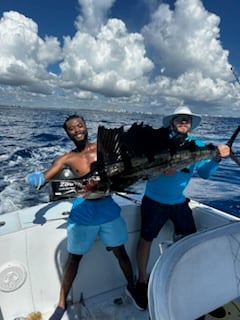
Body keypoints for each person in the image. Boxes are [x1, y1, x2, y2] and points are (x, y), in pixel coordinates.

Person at [25, 114, 144, 320]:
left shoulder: (102, 148)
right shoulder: (66, 159)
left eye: (80, 125)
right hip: (83, 213)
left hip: (108, 209)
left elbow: (127, 162)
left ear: (85, 127)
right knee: (74, 260)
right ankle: (62, 303)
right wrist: (39, 178)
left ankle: (132, 287)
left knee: (121, 253)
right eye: (72, 128)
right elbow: (47, 175)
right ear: (68, 133)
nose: (77, 130)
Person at [135, 106, 231, 309]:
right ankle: (141, 280)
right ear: (172, 122)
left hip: (179, 201)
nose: (184, 122)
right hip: (154, 201)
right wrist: (162, 170)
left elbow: (204, 173)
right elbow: (144, 170)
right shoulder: (159, 143)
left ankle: (187, 277)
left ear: (190, 124)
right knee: (146, 239)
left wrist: (218, 157)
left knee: (190, 240)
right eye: (180, 119)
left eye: (187, 120)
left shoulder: (197, 145)